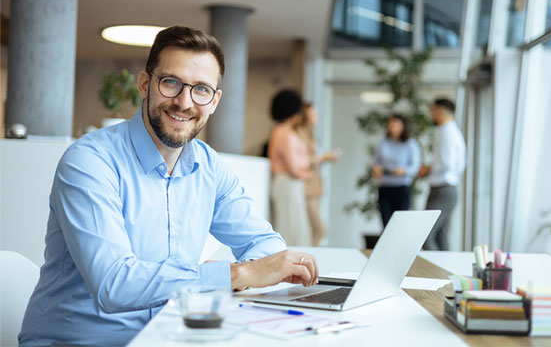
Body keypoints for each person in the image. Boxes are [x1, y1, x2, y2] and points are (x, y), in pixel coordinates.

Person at [19, 26, 318, 347]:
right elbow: (114, 284)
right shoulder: (89, 161)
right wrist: (237, 275)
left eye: (201, 89)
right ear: (145, 84)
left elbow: (267, 244)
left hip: (167, 336)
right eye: (171, 83)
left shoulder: (209, 166)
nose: (184, 102)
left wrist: (248, 269)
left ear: (214, 101)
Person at [419, 98, 466, 250]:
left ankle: (435, 273)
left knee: (425, 233)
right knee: (441, 236)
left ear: (440, 111)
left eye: (432, 110)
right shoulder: (449, 131)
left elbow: (447, 163)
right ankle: (445, 272)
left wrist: (428, 168)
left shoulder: (448, 132)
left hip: (443, 190)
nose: (431, 114)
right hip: (445, 189)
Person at [267, 89, 312, 246]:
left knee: (291, 224)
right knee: (291, 226)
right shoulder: (284, 133)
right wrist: (306, 170)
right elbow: (295, 166)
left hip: (287, 183)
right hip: (288, 183)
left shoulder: (279, 131)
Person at [295, 102, 340, 246]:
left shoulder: (311, 134)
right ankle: (308, 261)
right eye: (314, 114)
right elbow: (302, 160)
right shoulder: (300, 134)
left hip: (314, 187)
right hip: (306, 188)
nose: (317, 117)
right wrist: (323, 156)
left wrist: (326, 158)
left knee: (315, 231)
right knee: (319, 230)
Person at [372, 114, 421, 227]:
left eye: (396, 124)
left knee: (400, 224)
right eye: (391, 124)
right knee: (386, 222)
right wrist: (376, 169)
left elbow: (415, 166)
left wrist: (403, 171)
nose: (393, 126)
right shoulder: (383, 144)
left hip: (401, 187)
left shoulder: (410, 144)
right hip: (385, 187)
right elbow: (375, 162)